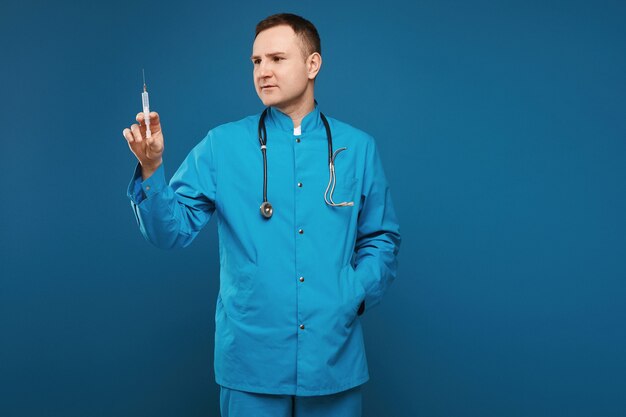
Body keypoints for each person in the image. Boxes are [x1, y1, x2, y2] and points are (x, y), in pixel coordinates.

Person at [122, 13, 401, 417]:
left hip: (332, 359)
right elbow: (171, 232)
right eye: (256, 62)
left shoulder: (357, 148)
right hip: (251, 362)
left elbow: (381, 238)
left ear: (312, 65)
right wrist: (152, 170)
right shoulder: (221, 145)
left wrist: (353, 294)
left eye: (276, 59)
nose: (263, 72)